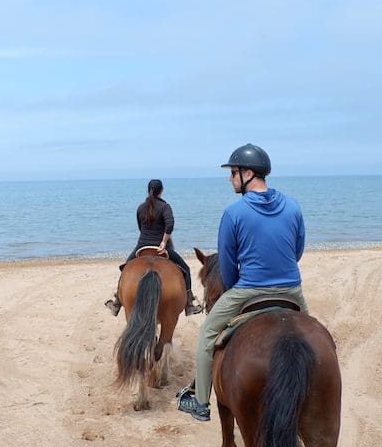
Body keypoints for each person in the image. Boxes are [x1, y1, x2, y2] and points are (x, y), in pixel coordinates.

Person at [177, 144, 308, 422]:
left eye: (233, 173)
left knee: (206, 337)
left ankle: (200, 402)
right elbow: (296, 251)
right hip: (292, 291)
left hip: (249, 289)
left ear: (248, 173)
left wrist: (238, 290)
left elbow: (226, 264)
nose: (230, 178)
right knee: (310, 338)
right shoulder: (293, 206)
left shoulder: (234, 213)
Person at [104, 179, 204, 317]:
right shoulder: (165, 207)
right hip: (162, 249)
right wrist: (163, 242)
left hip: (142, 246)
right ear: (161, 191)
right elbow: (170, 225)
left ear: (148, 190)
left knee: (125, 269)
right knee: (185, 269)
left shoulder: (140, 207)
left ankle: (116, 303)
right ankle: (189, 305)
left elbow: (141, 227)